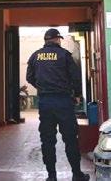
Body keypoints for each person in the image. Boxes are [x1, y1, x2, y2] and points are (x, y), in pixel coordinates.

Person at [26, 28, 89, 181]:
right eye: (59, 39)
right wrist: (77, 94)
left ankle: (51, 176)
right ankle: (77, 174)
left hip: (45, 102)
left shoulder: (35, 56)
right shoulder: (64, 55)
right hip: (63, 101)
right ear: (56, 39)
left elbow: (29, 77)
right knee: (70, 138)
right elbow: (75, 77)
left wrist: (42, 87)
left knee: (47, 140)